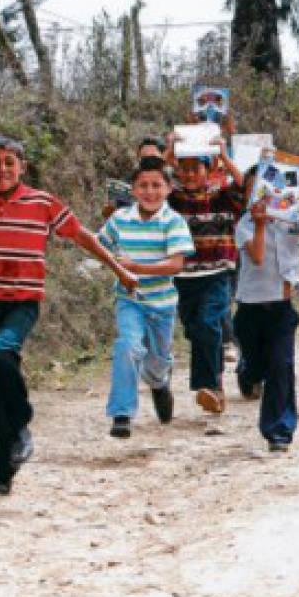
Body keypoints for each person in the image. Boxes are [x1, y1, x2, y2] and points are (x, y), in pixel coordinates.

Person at [0, 110, 139, 495]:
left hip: (22, 303)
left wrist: (119, 269)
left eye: (9, 162)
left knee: (2, 353)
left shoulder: (41, 202)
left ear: (22, 167)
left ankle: (21, 422)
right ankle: (3, 470)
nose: (2, 169)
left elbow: (83, 236)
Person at [98, 158, 195, 439]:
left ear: (169, 189)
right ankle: (122, 413)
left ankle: (159, 383)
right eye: (143, 185)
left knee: (157, 361)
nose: (150, 191)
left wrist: (137, 268)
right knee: (127, 346)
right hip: (130, 299)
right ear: (132, 190)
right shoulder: (119, 220)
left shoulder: (173, 221)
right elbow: (100, 246)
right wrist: (112, 261)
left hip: (162, 304)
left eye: (156, 185)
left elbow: (176, 264)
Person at [234, 177, 299, 452]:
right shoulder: (245, 225)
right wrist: (261, 224)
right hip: (250, 307)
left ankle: (279, 430)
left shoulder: (293, 220)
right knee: (257, 368)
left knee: (280, 366)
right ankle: (247, 371)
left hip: (281, 308)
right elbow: (258, 256)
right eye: (256, 189)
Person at [166, 138, 245, 432]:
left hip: (216, 273)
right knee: (195, 328)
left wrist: (223, 154)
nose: (188, 174)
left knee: (210, 323)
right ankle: (216, 388)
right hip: (183, 276)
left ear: (208, 170)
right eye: (183, 168)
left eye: (194, 168)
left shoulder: (222, 196)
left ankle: (209, 385)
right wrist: (168, 152)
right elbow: (148, 185)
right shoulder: (173, 200)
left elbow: (247, 188)